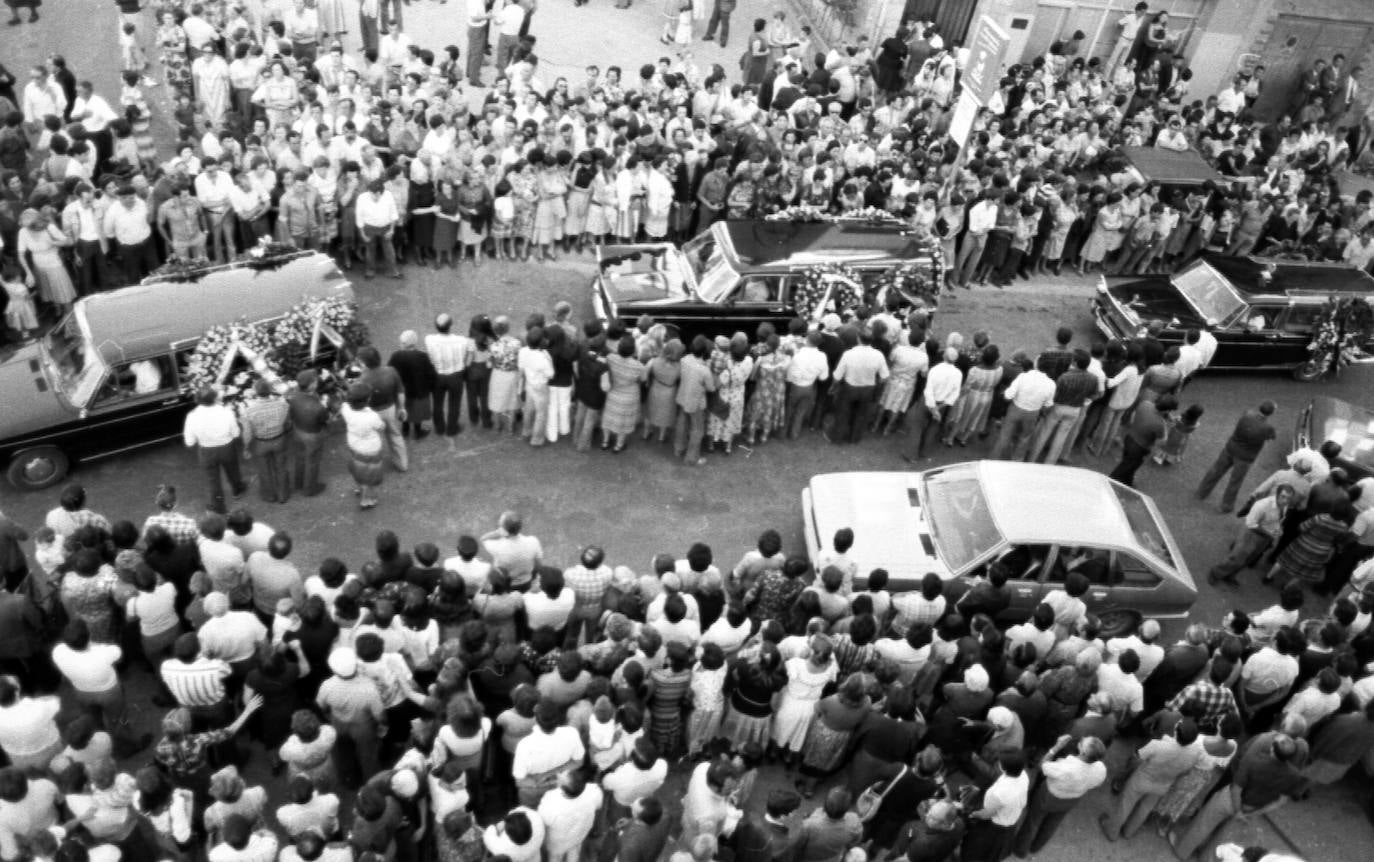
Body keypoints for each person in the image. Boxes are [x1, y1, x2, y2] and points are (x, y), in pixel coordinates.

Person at [1197, 401, 1278, 513]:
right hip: (1245, 458)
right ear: (1271, 413)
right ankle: (1226, 506)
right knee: (1235, 482)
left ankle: (1201, 492)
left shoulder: (1247, 414)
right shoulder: (1268, 428)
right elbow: (1271, 438)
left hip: (1230, 448)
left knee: (1215, 471)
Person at [184, 387, 247, 515]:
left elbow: (189, 442)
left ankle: (219, 507)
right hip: (226, 447)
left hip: (206, 450)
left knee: (212, 480)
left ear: (198, 400)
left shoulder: (192, 417)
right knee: (233, 470)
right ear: (214, 398)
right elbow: (236, 433)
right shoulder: (226, 412)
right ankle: (237, 490)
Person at [340, 382, 386, 510]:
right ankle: (367, 500)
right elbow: (381, 427)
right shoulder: (372, 417)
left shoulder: (345, 408)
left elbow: (344, 404)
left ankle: (358, 486)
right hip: (371, 449)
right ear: (367, 400)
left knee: (358, 467)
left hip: (354, 444)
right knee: (370, 476)